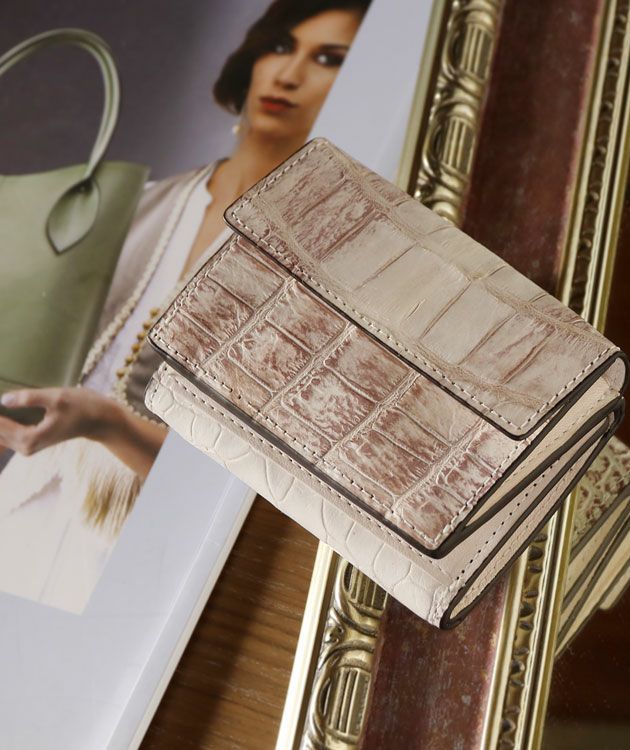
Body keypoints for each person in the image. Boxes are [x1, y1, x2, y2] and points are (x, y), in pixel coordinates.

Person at [0, 0, 370, 612]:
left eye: (329, 59)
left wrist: (108, 424)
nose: (288, 74)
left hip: (140, 556)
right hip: (25, 510)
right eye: (281, 46)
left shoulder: (320, 268)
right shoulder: (140, 206)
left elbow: (247, 479)